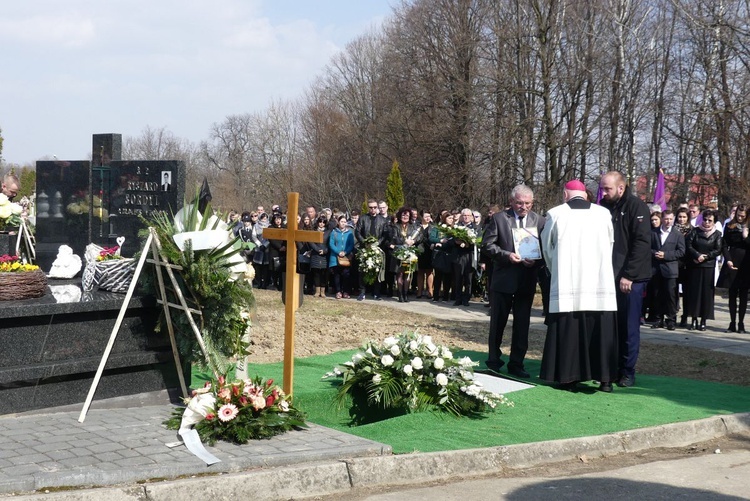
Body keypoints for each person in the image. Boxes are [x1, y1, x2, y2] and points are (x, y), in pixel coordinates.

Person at [539, 180, 618, 392]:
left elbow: (546, 247)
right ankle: (605, 379)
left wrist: (555, 268)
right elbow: (610, 243)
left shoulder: (555, 214)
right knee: (601, 330)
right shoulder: (603, 214)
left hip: (568, 281)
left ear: (566, 194)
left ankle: (568, 376)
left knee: (568, 329)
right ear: (584, 194)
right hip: (599, 282)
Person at [481, 184, 545, 379]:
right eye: (519, 202)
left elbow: (546, 249)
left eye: (527, 203)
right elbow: (487, 245)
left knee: (522, 325)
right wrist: (507, 255)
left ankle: (517, 363)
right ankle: (493, 361)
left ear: (532, 203)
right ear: (511, 202)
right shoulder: (499, 219)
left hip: (526, 280)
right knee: (497, 323)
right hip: (503, 280)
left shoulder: (540, 221)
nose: (523, 206)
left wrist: (536, 260)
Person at [599, 171, 651, 388]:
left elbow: (641, 243)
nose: (603, 192)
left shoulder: (636, 206)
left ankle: (627, 371)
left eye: (607, 188)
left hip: (631, 279)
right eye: (602, 188)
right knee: (610, 327)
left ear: (620, 188)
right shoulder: (603, 207)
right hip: (608, 276)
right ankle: (610, 369)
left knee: (629, 327)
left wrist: (629, 275)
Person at [684, 210, 724, 331]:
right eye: (705, 219)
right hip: (695, 265)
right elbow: (689, 245)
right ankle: (694, 319)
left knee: (706, 294)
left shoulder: (716, 234)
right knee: (694, 293)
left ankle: (703, 320)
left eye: (709, 220)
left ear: (714, 222)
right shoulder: (695, 231)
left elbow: (718, 249)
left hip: (708, 267)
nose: (706, 222)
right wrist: (697, 255)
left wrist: (706, 257)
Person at [649, 210, 686, 330]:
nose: (668, 221)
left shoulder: (677, 234)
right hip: (656, 268)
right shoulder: (654, 232)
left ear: (673, 219)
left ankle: (671, 319)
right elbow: (648, 248)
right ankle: (658, 319)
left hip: (670, 269)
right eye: (666, 219)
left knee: (670, 295)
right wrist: (655, 253)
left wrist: (665, 255)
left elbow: (681, 251)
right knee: (657, 294)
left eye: (670, 219)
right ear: (662, 219)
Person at [719, 205, 750, 332]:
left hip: (746, 262)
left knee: (743, 294)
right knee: (732, 294)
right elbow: (724, 245)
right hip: (733, 260)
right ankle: (732, 323)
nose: (740, 218)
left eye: (743, 216)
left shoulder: (748, 227)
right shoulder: (729, 226)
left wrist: (745, 236)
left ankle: (741, 323)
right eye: (738, 215)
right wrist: (728, 259)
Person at [385, 207, 422, 302]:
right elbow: (394, 238)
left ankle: (406, 293)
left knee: (408, 274)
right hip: (399, 252)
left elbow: (420, 236)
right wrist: (404, 241)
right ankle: (400, 294)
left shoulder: (413, 226)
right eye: (403, 215)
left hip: (410, 253)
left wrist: (413, 241)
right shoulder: (395, 226)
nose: (405, 217)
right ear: (400, 215)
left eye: (407, 215)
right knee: (400, 274)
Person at [355, 199, 387, 301]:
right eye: (371, 207)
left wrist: (378, 243)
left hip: (377, 248)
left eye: (374, 207)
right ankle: (362, 292)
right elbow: (357, 232)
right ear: (368, 208)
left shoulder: (382, 220)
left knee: (377, 270)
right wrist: (365, 242)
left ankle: (376, 293)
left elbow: (385, 234)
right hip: (365, 248)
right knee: (363, 270)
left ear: (377, 208)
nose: (373, 209)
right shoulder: (363, 218)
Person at [453, 208, 479, 306]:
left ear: (471, 217)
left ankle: (466, 298)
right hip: (459, 255)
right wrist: (458, 241)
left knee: (468, 278)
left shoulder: (476, 228)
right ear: (461, 217)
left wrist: (469, 244)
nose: (466, 217)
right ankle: (458, 298)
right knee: (458, 278)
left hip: (470, 255)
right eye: (464, 215)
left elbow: (478, 241)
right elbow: (452, 239)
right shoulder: (457, 227)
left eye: (468, 215)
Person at [429, 210, 456, 302]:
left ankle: (445, 296)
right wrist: (440, 241)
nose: (451, 220)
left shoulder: (454, 229)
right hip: (439, 255)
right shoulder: (438, 228)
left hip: (449, 254)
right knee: (438, 276)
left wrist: (447, 243)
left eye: (452, 218)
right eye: (449, 218)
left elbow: (454, 240)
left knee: (447, 277)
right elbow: (431, 238)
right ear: (444, 218)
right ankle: (436, 296)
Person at [675, 207, 693, 327]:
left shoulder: (692, 230)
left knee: (687, 293)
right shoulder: (672, 230)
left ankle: (685, 316)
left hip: (687, 264)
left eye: (684, 217)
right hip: (675, 263)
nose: (682, 219)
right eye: (680, 217)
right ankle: (672, 314)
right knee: (673, 291)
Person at [329, 214, 355, 299]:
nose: (343, 223)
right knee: (337, 275)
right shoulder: (334, 232)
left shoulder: (349, 233)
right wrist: (338, 251)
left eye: (344, 222)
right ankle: (338, 291)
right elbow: (331, 244)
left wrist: (345, 252)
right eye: (341, 221)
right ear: (338, 222)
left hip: (346, 257)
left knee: (346, 275)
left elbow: (351, 244)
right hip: (335, 257)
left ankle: (346, 291)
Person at [308, 215, 330, 297]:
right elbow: (310, 242)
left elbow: (329, 243)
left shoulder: (328, 232)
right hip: (315, 254)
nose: (321, 224)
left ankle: (323, 291)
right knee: (316, 273)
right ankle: (317, 291)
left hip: (324, 255)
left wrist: (324, 251)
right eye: (320, 222)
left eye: (323, 222)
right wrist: (317, 249)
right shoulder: (314, 231)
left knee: (323, 273)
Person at [416, 210, 435, 299]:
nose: (428, 218)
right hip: (419, 251)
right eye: (426, 216)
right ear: (421, 217)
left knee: (429, 271)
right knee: (420, 271)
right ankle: (419, 290)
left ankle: (430, 290)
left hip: (429, 251)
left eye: (429, 216)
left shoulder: (433, 227)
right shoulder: (417, 226)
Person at [267, 212, 287, 290]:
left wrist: (284, 246)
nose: (278, 221)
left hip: (284, 250)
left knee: (282, 268)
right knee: (274, 268)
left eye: (279, 219)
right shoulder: (270, 227)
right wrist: (279, 247)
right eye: (276, 219)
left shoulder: (285, 227)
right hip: (274, 250)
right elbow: (271, 239)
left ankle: (281, 285)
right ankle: (274, 284)